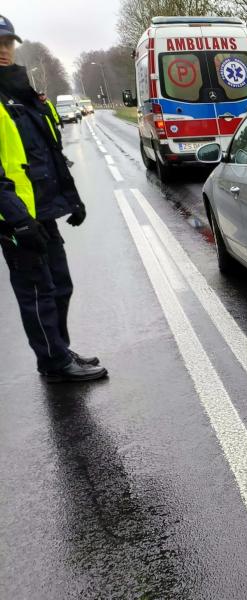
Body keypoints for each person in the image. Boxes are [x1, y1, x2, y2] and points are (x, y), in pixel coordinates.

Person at [0, 15, 107, 382]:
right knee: (38, 293)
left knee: (61, 285)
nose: (3, 50)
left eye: (7, 43)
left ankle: (58, 349)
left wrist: (72, 200)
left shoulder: (24, 94)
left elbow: (51, 154)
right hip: (17, 219)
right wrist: (17, 219)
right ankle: (53, 363)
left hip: (42, 211)